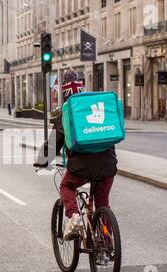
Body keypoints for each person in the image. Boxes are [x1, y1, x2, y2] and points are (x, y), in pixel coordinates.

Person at [33, 70, 118, 240]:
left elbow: (52, 145)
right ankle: (107, 243)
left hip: (81, 167)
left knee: (67, 186)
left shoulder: (65, 114)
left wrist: (42, 161)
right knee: (103, 203)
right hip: (108, 164)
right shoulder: (95, 106)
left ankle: (74, 217)